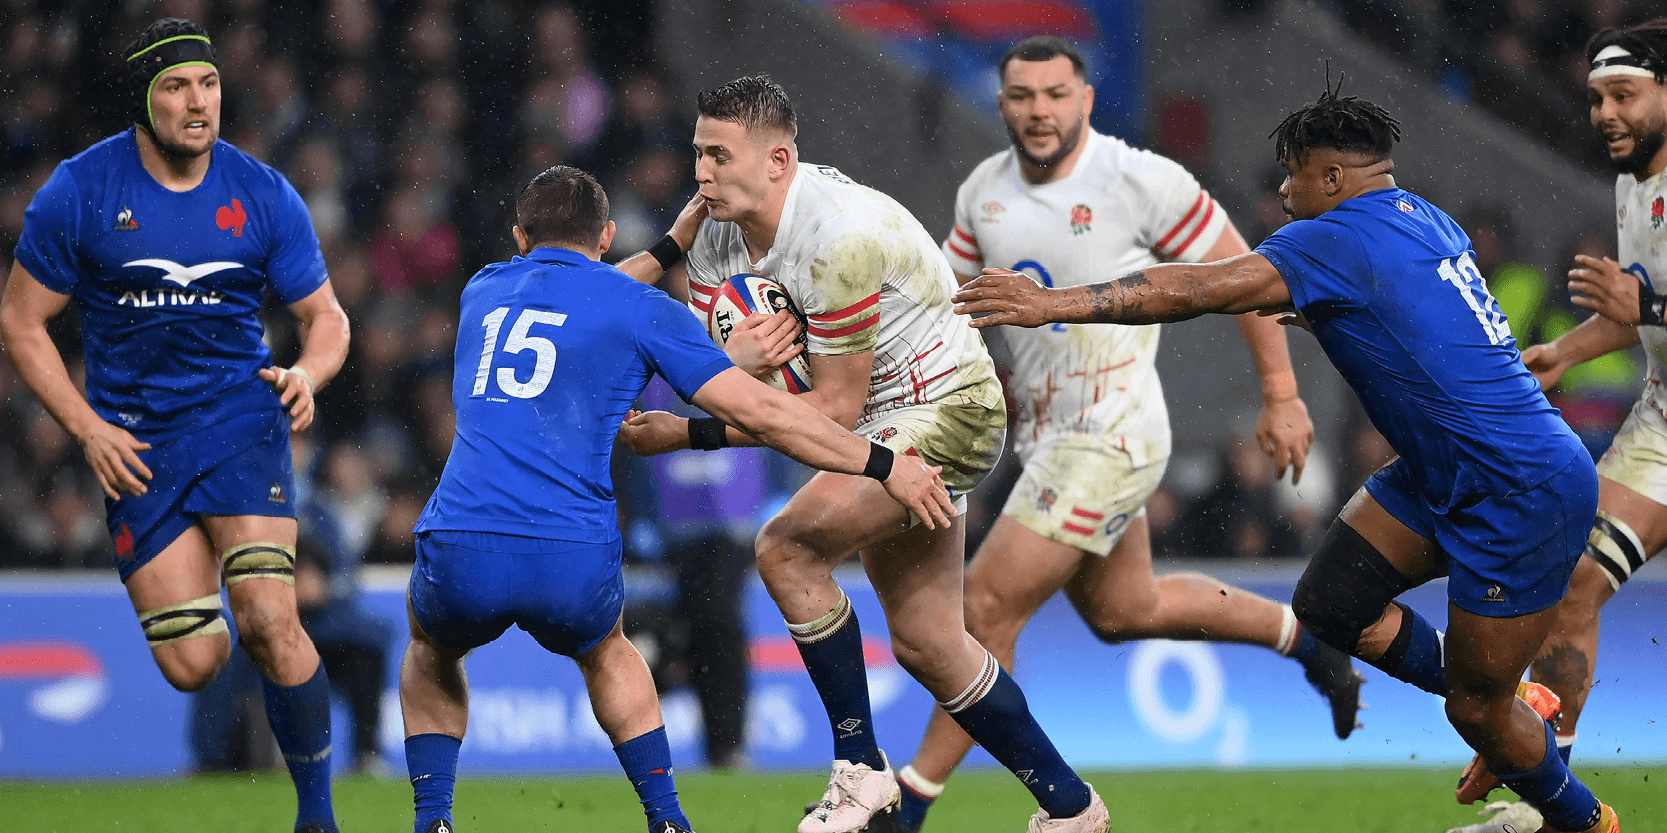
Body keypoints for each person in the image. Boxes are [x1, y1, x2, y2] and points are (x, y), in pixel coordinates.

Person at [951, 84, 1619, 833]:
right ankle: (1511, 704)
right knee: (1328, 604)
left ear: (1331, 179)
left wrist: (1054, 303)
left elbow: (1199, 287)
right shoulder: (1425, 218)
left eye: (1292, 173)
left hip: (1514, 485)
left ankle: (1582, 819)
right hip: (1446, 470)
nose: (1281, 190)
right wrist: (1326, 315)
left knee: (1473, 708)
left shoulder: (1332, 236)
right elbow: (1422, 315)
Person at [886, 38, 1362, 830]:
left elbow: (1245, 275)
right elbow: (950, 306)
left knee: (988, 604)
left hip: (1111, 433)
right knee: (1124, 609)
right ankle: (1309, 643)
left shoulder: (1140, 179)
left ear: (1085, 99)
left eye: (1054, 93)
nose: (1039, 110)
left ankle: (907, 804)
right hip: (1043, 436)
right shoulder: (981, 192)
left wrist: (1281, 394)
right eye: (1021, 95)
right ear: (1001, 103)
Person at [619, 74, 1113, 833]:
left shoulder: (836, 239)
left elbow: (828, 413)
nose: (700, 173)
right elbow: (723, 377)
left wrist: (691, 428)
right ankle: (1071, 806)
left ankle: (859, 768)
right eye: (697, 153)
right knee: (927, 642)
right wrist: (713, 333)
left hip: (949, 410)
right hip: (879, 425)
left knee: (784, 550)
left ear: (778, 161)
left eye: (719, 155)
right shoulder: (714, 238)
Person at [398, 164, 956, 833]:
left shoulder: (482, 290)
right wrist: (880, 460)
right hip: (568, 550)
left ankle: (432, 820)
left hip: (464, 539)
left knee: (429, 649)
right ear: (604, 235)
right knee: (607, 650)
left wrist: (668, 248)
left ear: (519, 236)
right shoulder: (640, 310)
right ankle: (665, 819)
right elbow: (773, 417)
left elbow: (578, 296)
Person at [0, 19, 350, 833]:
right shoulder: (81, 191)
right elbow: (19, 323)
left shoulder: (262, 191)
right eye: (176, 87)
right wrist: (87, 428)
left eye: (210, 85)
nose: (198, 104)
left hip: (240, 419)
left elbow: (325, 316)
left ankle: (318, 817)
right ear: (143, 100)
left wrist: (307, 372)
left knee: (271, 616)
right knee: (194, 663)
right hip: (135, 444)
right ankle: (217, 600)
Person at [1453, 19, 1667, 833]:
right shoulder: (1631, 185)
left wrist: (1642, 305)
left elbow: (1643, 306)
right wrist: (1565, 351)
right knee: (1574, 584)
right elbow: (1632, 318)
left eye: (1622, 95)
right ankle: (1556, 807)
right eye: (1593, 99)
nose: (1603, 113)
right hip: (1660, 424)